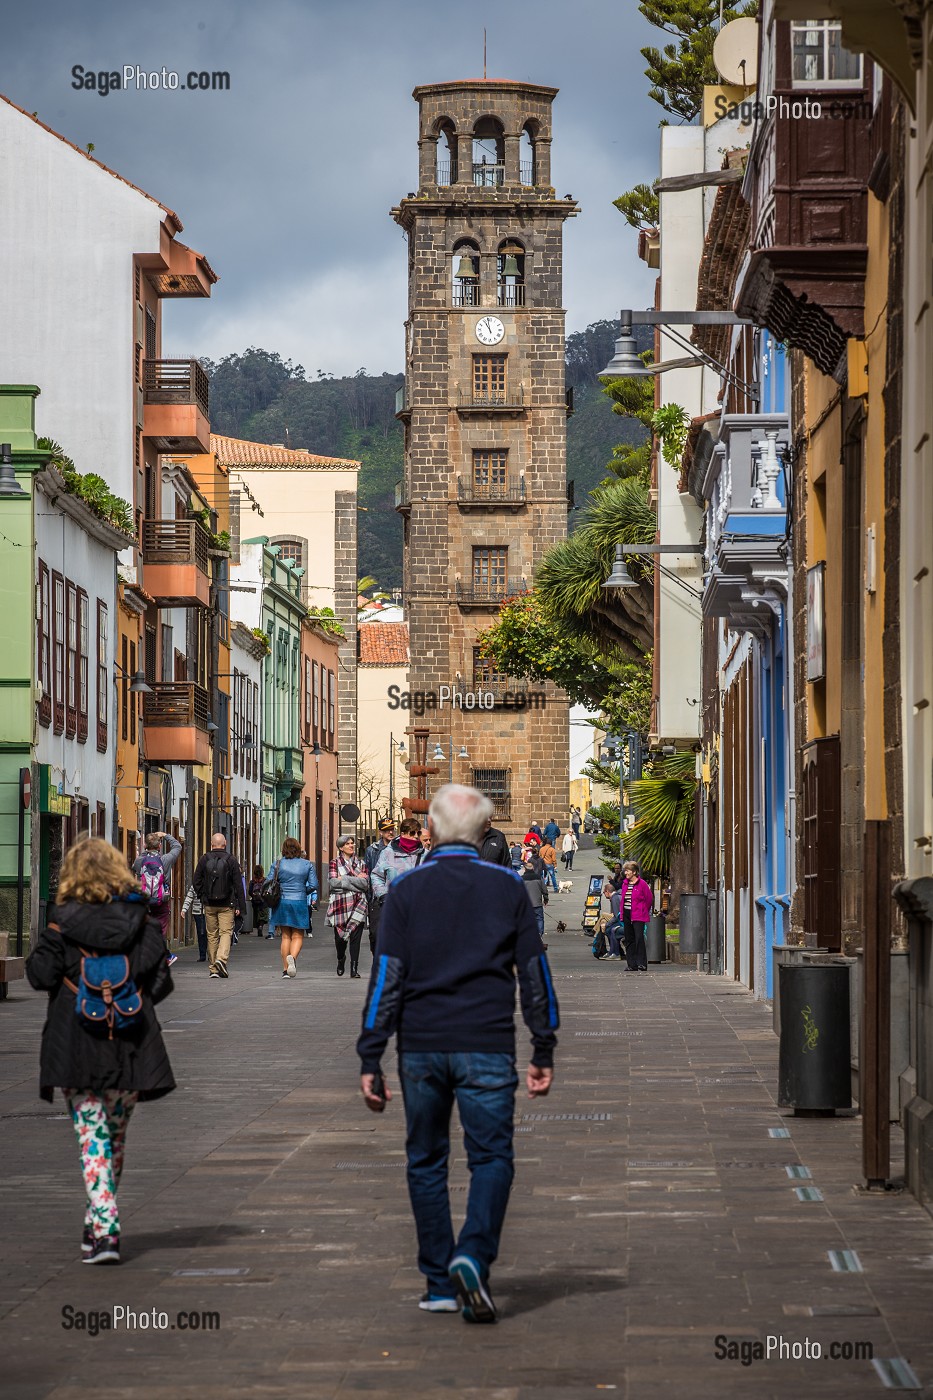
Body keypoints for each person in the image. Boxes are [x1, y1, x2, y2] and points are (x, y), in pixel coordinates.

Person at [357, 784, 559, 1323]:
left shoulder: (406, 891)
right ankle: (473, 1253)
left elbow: (387, 978)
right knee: (491, 1157)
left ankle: (439, 1280)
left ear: (432, 831)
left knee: (426, 1159)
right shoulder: (508, 889)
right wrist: (543, 1043)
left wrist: (370, 1055)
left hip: (421, 1047)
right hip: (487, 1043)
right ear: (483, 833)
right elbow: (535, 974)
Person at [25, 838, 175, 1264]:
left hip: (75, 1045)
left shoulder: (60, 922)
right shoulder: (141, 921)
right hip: (130, 1044)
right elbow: (163, 982)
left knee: (92, 1137)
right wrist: (128, 1000)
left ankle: (105, 1229)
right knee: (115, 1138)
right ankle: (98, 1222)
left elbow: (38, 977)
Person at [192, 833, 243, 979]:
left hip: (209, 904)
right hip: (227, 904)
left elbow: (196, 881)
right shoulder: (231, 860)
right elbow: (238, 884)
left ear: (211, 844)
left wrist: (203, 896)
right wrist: (240, 904)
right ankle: (221, 959)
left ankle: (214, 969)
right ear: (225, 843)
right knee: (225, 932)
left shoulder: (204, 859)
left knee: (212, 935)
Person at [267, 837, 318, 978]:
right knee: (297, 935)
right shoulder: (307, 864)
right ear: (298, 849)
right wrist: (303, 891)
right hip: (299, 901)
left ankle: (285, 970)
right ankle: (293, 959)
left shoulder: (278, 864)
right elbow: (313, 885)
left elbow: (269, 881)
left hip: (282, 902)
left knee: (285, 936)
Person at [131, 830, 182, 959]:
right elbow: (177, 846)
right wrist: (165, 835)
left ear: (145, 846)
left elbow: (134, 868)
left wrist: (145, 851)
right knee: (161, 928)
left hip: (145, 899)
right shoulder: (165, 859)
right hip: (162, 900)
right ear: (159, 846)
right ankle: (161, 955)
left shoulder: (140, 860)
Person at [327, 834, 370, 977]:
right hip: (340, 904)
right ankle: (341, 958)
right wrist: (355, 879)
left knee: (356, 938)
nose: (351, 845)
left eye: (352, 843)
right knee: (340, 939)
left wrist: (344, 879)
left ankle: (354, 968)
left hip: (359, 902)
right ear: (340, 847)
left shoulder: (361, 864)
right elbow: (333, 883)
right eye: (347, 844)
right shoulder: (334, 863)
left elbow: (365, 884)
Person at [372, 818, 425, 904]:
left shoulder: (426, 855)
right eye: (412, 833)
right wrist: (383, 895)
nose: (416, 836)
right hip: (395, 906)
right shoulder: (387, 853)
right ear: (402, 834)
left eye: (418, 833)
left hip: (419, 908)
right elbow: (376, 876)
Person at [364, 819, 396, 955]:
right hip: (376, 897)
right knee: (375, 934)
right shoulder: (372, 850)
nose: (391, 832)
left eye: (392, 829)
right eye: (387, 829)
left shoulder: (398, 848)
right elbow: (369, 873)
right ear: (381, 832)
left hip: (393, 896)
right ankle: (376, 956)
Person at [620, 861, 653, 972]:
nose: (626, 873)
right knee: (629, 939)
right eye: (625, 871)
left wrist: (643, 910)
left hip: (638, 915)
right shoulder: (625, 884)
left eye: (628, 871)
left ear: (634, 872)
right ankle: (631, 964)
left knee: (639, 938)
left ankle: (642, 964)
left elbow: (649, 899)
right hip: (627, 914)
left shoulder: (642, 884)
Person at [519, 847, 548, 945]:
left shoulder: (522, 879)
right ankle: (539, 935)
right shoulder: (538, 878)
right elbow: (544, 889)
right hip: (537, 903)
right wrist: (546, 899)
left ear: (525, 869)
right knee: (539, 919)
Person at [180, 884, 207, 961]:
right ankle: (202, 954)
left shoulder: (211, 882)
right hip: (197, 912)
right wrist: (184, 909)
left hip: (209, 912)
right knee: (201, 933)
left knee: (210, 933)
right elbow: (189, 897)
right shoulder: (195, 885)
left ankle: (211, 953)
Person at [248, 865, 268, 937]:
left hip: (255, 902)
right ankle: (261, 926)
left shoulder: (252, 881)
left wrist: (253, 896)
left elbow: (250, 891)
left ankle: (257, 927)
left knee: (256, 916)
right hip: (263, 902)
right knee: (263, 916)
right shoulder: (265, 881)